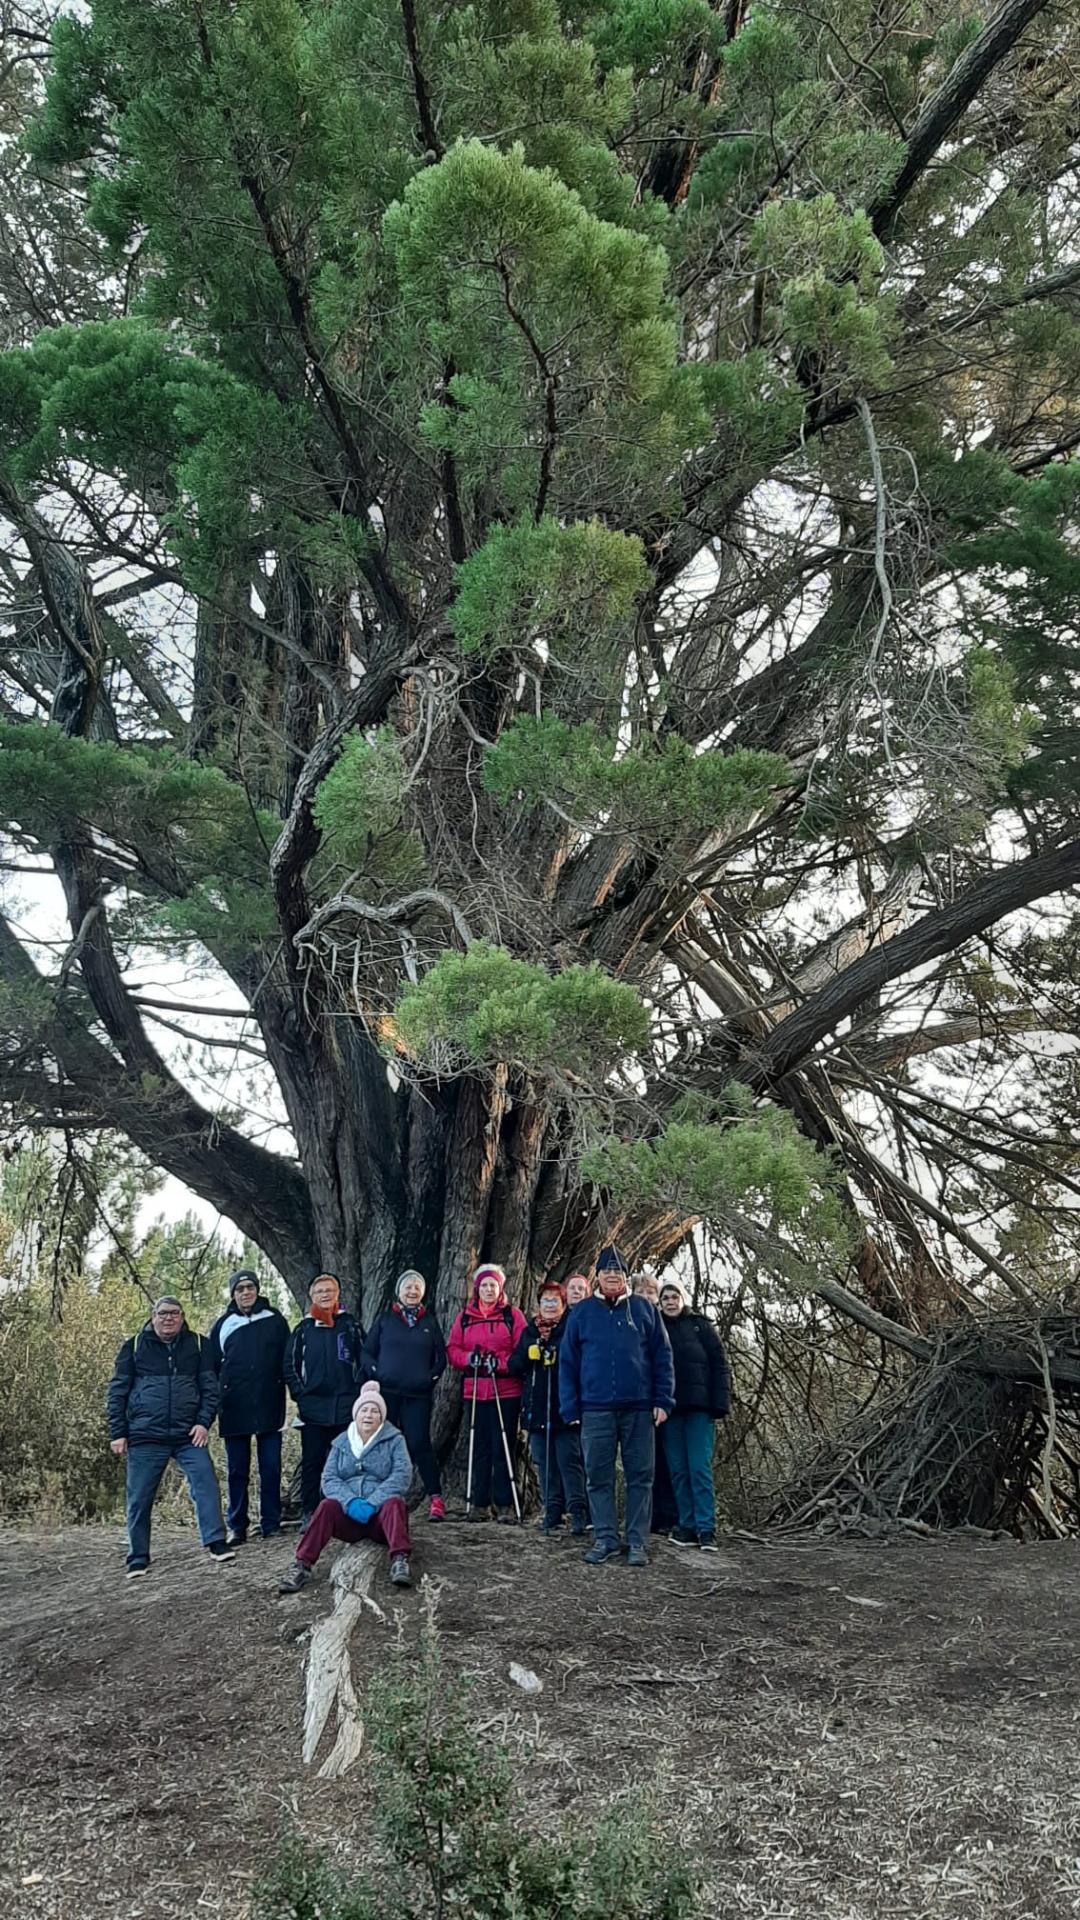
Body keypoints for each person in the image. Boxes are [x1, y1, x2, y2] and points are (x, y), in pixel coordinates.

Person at [559, 1246, 674, 1568]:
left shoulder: (643, 1309)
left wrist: (663, 1400)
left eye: (618, 1271)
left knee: (641, 1476)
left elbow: (662, 1357)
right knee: (598, 1476)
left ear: (626, 1276)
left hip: (639, 1409)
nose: (613, 1275)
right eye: (607, 1270)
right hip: (595, 1410)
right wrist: (570, 1408)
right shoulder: (582, 1313)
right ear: (598, 1275)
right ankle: (606, 1538)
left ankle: (637, 1541)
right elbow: (567, 1364)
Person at [106, 1295, 233, 1577]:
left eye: (174, 1313)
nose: (168, 1318)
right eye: (163, 1313)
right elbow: (117, 1391)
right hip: (145, 1436)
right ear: (153, 1315)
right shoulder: (134, 1346)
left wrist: (203, 1423)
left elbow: (210, 1389)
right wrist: (118, 1432)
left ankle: (216, 1542)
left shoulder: (200, 1345)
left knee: (206, 1483)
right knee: (139, 1497)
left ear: (182, 1316)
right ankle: (138, 1556)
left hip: (188, 1434)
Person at [278, 1382, 413, 1591]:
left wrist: (372, 1502)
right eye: (364, 1410)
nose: (368, 1416)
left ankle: (400, 1560)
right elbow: (329, 1478)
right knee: (326, 1506)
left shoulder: (395, 1440)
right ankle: (302, 1565)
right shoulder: (341, 1443)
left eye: (375, 1411)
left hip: (380, 1519)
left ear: (382, 1416)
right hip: (349, 1517)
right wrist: (350, 1502)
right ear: (356, 1414)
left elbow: (401, 1476)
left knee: (395, 1503)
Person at [208, 1268, 290, 1544]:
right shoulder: (223, 1324)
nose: (246, 1292)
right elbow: (213, 1367)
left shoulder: (275, 1320)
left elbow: (287, 1360)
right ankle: (238, 1526)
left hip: (269, 1403)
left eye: (250, 1287)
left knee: (270, 1467)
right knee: (237, 1470)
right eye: (240, 1289)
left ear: (257, 1289)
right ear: (233, 1294)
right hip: (234, 1407)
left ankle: (271, 1522)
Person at [361, 1270, 448, 1521]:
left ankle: (436, 1499)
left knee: (420, 1444)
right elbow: (367, 1353)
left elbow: (440, 1358)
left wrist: (428, 1378)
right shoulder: (386, 1320)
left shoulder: (429, 1323)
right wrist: (378, 1373)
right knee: (383, 1444)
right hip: (387, 1394)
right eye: (408, 1287)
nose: (412, 1291)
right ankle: (379, 1497)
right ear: (399, 1291)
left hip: (417, 1395)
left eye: (417, 1288)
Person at [507, 1279, 588, 1536]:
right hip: (537, 1406)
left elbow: (582, 1360)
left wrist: (555, 1351)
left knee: (569, 1461)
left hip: (564, 1407)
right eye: (545, 1301)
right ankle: (551, 1511)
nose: (550, 1305)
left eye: (555, 1301)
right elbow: (513, 1364)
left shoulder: (571, 1327)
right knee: (544, 1463)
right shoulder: (530, 1330)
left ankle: (577, 1512)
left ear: (563, 1304)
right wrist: (529, 1354)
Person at [284, 1273, 365, 1526]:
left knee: (349, 1463)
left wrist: (359, 1394)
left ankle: (349, 1512)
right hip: (314, 1409)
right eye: (320, 1291)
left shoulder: (350, 1324)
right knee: (312, 1463)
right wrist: (301, 1395)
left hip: (346, 1406)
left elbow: (365, 1360)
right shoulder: (303, 1330)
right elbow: (290, 1364)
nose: (325, 1295)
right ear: (312, 1296)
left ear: (338, 1293)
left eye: (330, 1290)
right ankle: (310, 1513)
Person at [447, 1265, 527, 1522]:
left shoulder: (512, 1316)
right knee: (478, 1446)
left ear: (500, 1287)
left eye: (493, 1285)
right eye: (484, 1285)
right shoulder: (465, 1317)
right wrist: (470, 1358)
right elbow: (453, 1349)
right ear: (477, 1288)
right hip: (475, 1390)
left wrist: (501, 1363)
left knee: (503, 1446)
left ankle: (505, 1504)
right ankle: (479, 1503)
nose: (489, 1289)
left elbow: (521, 1350)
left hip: (505, 1390)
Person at [658, 1279, 731, 1551]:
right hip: (671, 1410)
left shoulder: (701, 1326)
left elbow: (719, 1364)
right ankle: (687, 1525)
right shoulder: (657, 1328)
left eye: (674, 1296)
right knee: (678, 1469)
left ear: (682, 1299)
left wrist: (720, 1403)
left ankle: (706, 1528)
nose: (670, 1301)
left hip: (699, 1409)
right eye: (665, 1298)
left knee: (699, 1468)